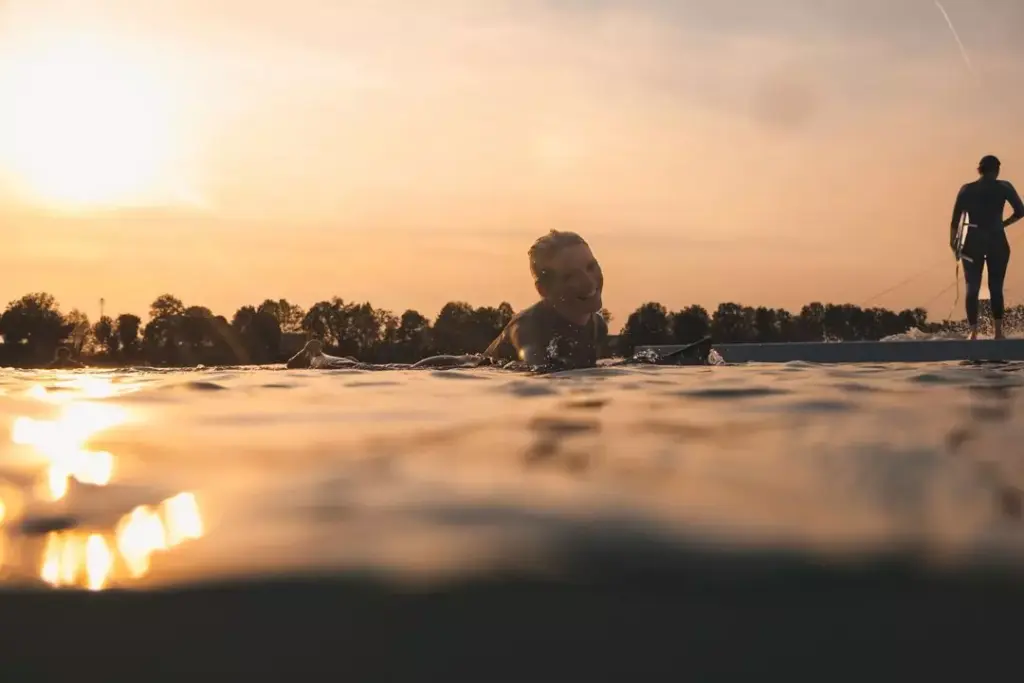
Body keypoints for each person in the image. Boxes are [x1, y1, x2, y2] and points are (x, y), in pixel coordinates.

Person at [950, 155, 1024, 340]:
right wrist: (1003, 224)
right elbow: (1021, 212)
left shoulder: (966, 189)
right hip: (997, 239)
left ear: (979, 170)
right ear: (997, 169)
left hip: (972, 240)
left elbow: (955, 221)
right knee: (996, 287)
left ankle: (973, 332)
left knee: (972, 287)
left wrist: (954, 244)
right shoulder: (1004, 186)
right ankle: (998, 333)